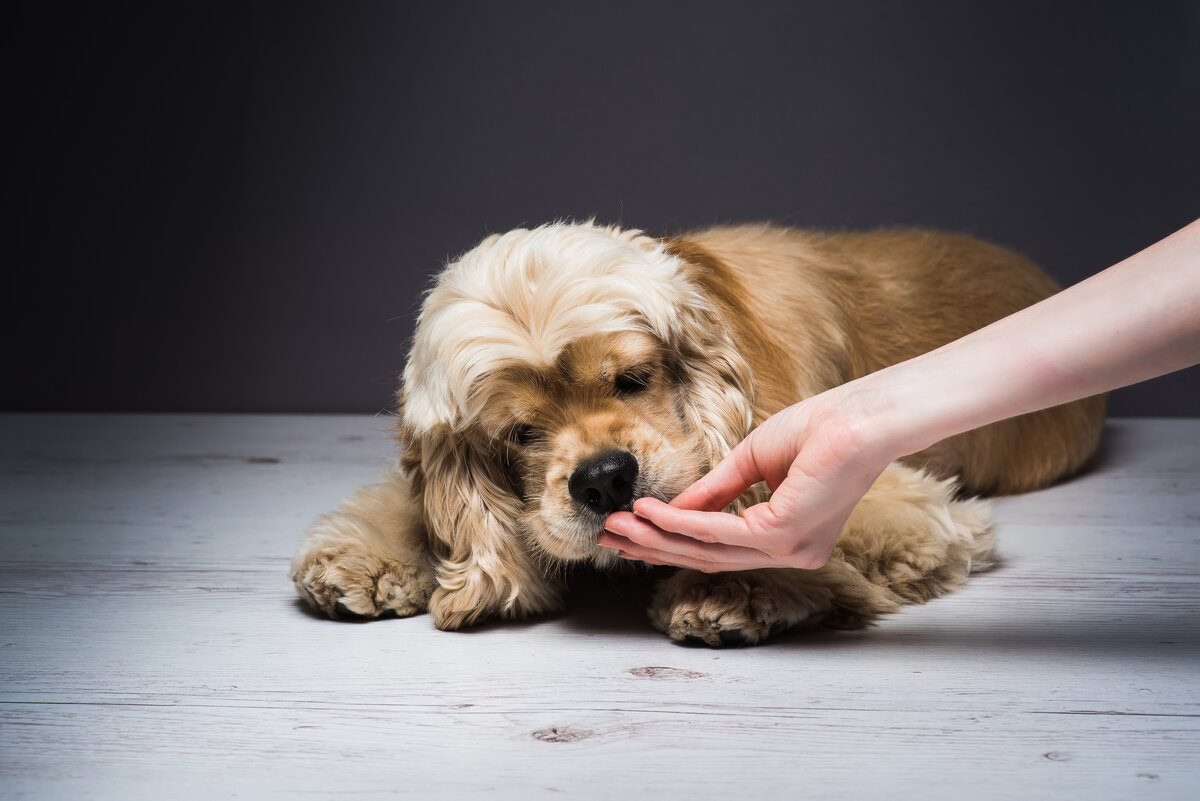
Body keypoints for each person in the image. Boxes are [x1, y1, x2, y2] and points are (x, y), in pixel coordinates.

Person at [600, 218, 1200, 572]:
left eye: (632, 381)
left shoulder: (714, 345)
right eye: (524, 433)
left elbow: (929, 526)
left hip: (1052, 431)